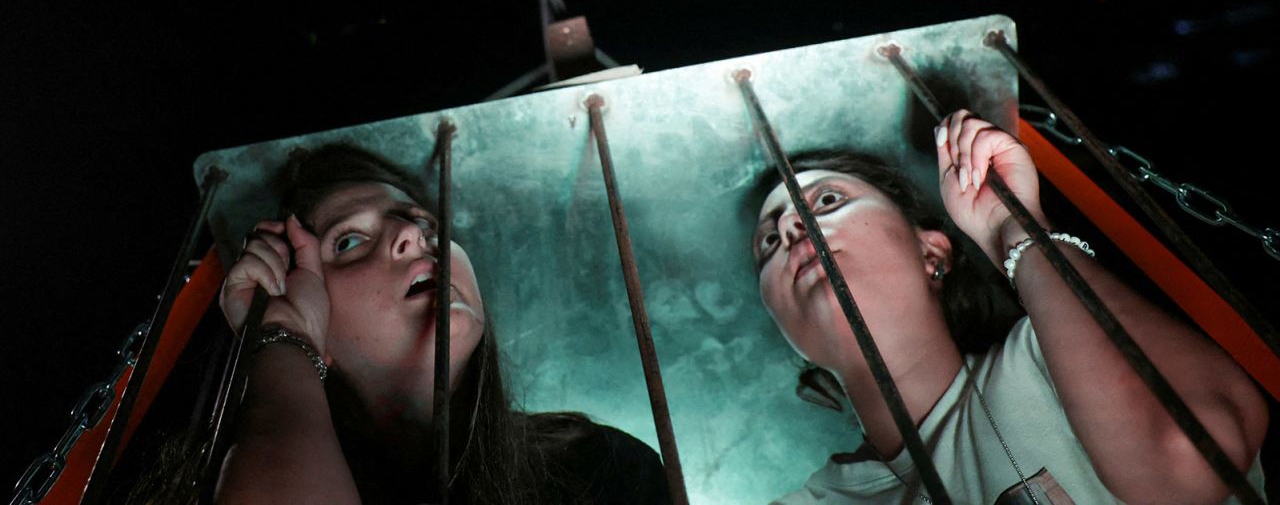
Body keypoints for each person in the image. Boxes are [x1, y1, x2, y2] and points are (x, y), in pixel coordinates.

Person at [750, 110, 1268, 504]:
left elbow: (1190, 458)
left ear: (932, 251)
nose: (791, 229)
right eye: (768, 243)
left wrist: (1012, 227)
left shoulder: (1055, 360)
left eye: (826, 202)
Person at [216, 143, 669, 504]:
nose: (412, 236)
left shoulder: (598, 466)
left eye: (428, 227)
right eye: (349, 241)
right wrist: (285, 339)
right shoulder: (235, 473)